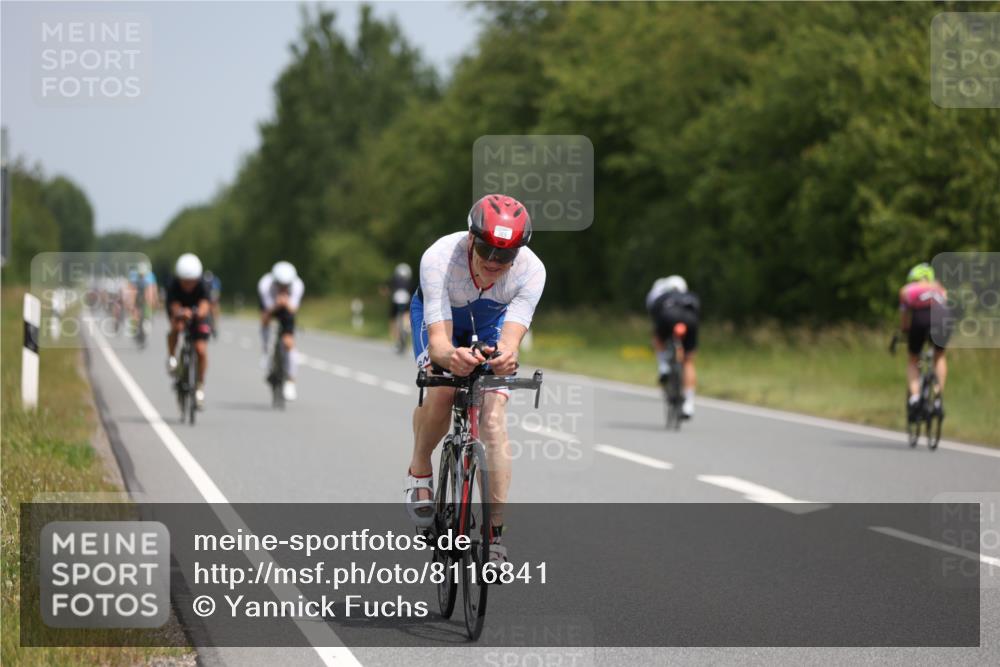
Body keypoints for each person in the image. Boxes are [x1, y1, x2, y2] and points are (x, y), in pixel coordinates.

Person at [405, 194, 546, 565]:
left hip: (489, 321)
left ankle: (494, 535)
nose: (495, 262)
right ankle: (420, 468)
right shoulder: (439, 258)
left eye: (507, 255)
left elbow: (510, 342)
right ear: (471, 238)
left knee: (494, 419)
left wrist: (504, 359)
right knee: (443, 389)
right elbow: (439, 343)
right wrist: (452, 357)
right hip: (441, 318)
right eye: (487, 250)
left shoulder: (532, 271)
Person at [898, 262, 949, 418]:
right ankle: (937, 398)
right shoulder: (940, 288)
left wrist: (905, 330)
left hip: (921, 318)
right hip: (943, 318)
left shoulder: (907, 290)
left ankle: (914, 398)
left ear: (913, 279)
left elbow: (905, 316)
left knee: (913, 359)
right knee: (939, 356)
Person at [646, 275, 700, 418]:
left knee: (658, 339)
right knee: (688, 361)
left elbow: (655, 317)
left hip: (667, 318)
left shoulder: (661, 296)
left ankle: (663, 366)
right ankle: (688, 404)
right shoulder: (691, 296)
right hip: (690, 321)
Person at [165, 253, 212, 408]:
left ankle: (199, 385)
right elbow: (173, 306)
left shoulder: (203, 284)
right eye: (185, 282)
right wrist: (181, 313)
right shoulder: (173, 285)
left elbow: (205, 305)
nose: (189, 285)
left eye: (192, 282)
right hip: (180, 313)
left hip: (197, 315)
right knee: (176, 328)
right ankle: (172, 357)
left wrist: (198, 313)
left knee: (201, 350)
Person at [258, 261, 305, 402]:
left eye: (286, 285)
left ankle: (290, 380)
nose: (284, 287)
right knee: (265, 322)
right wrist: (276, 305)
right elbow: (266, 313)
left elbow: (293, 309)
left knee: (288, 343)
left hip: (287, 309)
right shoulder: (265, 285)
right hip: (270, 307)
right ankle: (266, 351)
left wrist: (285, 303)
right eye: (281, 285)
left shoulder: (298, 285)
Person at [387, 263, 414, 345]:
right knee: (407, 314)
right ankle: (407, 327)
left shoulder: (393, 280)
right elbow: (412, 293)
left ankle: (395, 337)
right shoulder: (410, 282)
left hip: (395, 300)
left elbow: (388, 289)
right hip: (406, 300)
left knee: (393, 318)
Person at [201, 270, 222, 337]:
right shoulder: (202, 282)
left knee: (215, 309)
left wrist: (214, 302)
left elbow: (216, 293)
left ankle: (214, 327)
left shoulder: (215, 282)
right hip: (206, 298)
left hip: (212, 297)